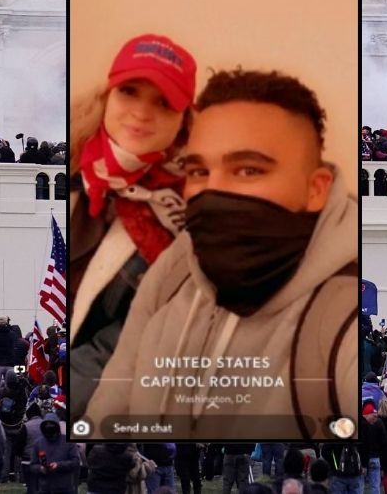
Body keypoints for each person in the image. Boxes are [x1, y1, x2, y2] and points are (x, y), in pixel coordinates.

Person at [86, 69, 357, 439]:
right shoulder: (177, 266)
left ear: (316, 189)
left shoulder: (345, 309)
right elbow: (111, 406)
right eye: (198, 170)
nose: (213, 191)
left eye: (247, 169)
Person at [69, 33, 195, 420]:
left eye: (163, 102)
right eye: (130, 92)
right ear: (107, 94)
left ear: (183, 121)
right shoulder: (73, 171)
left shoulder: (184, 222)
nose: (142, 112)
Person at [29, 413, 81, 494]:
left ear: (57, 426)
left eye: (51, 424)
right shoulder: (38, 443)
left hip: (65, 488)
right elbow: (32, 465)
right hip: (45, 488)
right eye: (47, 425)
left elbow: (76, 462)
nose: (49, 427)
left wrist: (58, 465)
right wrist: (41, 469)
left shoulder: (68, 442)